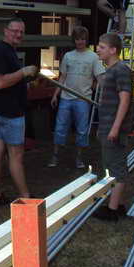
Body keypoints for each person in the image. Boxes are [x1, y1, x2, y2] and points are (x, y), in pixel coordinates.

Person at [0, 17, 38, 205]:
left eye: (21, 32)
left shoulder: (8, 51)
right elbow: (0, 82)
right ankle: (26, 198)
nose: (18, 34)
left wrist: (25, 81)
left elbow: (10, 79)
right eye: (15, 30)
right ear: (6, 31)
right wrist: (23, 72)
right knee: (16, 156)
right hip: (10, 113)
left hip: (2, 110)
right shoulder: (1, 52)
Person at [48, 26, 104, 169]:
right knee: (60, 127)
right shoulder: (68, 56)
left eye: (83, 39)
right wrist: (56, 95)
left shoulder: (94, 57)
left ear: (86, 40)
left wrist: (98, 87)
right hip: (66, 98)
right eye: (78, 39)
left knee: (82, 129)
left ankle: (79, 158)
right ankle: (55, 156)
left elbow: (100, 77)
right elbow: (62, 77)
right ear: (74, 40)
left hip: (83, 99)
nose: (80, 42)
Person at [92, 32, 133, 221]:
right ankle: (118, 203)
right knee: (111, 165)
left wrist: (115, 128)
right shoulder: (110, 70)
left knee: (116, 168)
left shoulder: (121, 70)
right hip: (107, 126)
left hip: (113, 128)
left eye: (101, 47)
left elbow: (125, 99)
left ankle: (113, 210)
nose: (97, 50)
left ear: (113, 50)